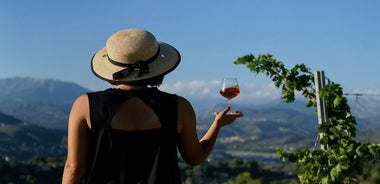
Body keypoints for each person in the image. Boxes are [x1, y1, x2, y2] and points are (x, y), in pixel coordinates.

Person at [62, 29, 243, 184]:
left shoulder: (84, 105)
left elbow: (75, 168)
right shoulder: (180, 106)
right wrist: (217, 124)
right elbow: (195, 158)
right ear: (158, 67)